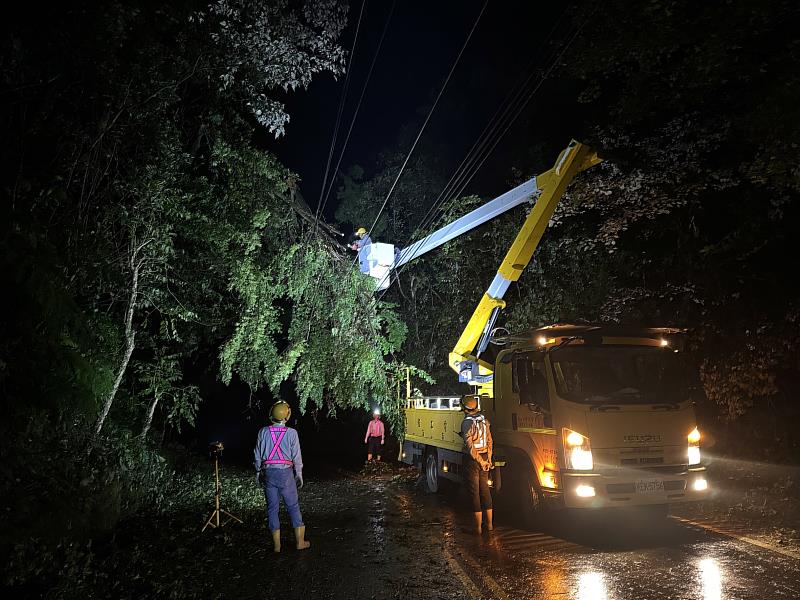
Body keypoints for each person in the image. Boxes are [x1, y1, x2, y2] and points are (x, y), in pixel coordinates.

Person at [254, 400, 310, 553]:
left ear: (272, 414)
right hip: (286, 474)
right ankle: (300, 542)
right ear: (287, 415)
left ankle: (277, 546)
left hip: (269, 474)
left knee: (272, 509)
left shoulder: (263, 432)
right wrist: (299, 474)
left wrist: (258, 473)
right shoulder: (292, 433)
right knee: (292, 506)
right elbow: (297, 457)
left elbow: (257, 455)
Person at [460, 394, 494, 534]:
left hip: (474, 460)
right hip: (485, 456)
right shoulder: (485, 421)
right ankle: (490, 525)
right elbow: (490, 441)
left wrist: (480, 461)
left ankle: (478, 528)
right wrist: (488, 460)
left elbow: (470, 448)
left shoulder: (466, 423)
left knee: (475, 492)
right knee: (485, 490)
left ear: (464, 408)